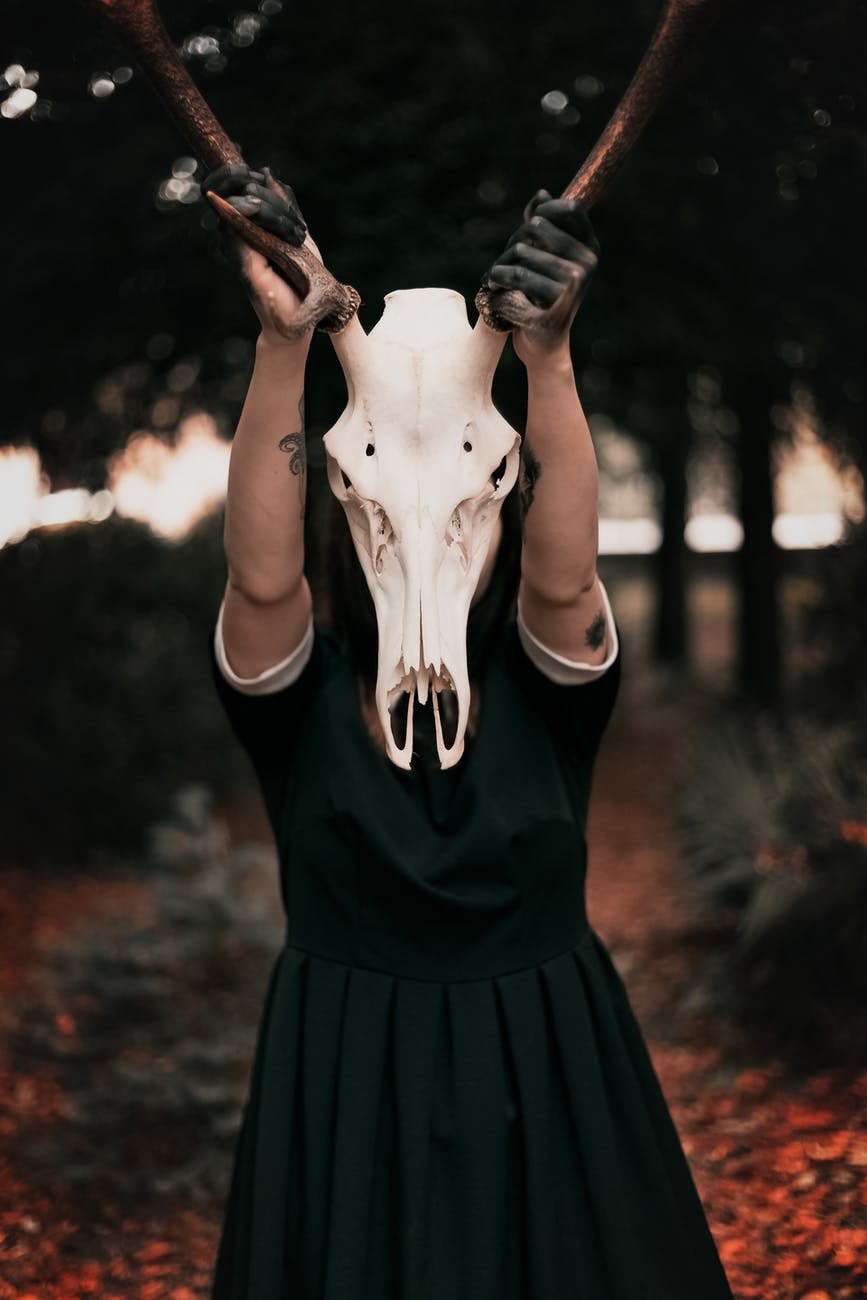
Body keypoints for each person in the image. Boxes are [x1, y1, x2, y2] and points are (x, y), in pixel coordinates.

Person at [202, 163, 734, 1299]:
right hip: (345, 1096)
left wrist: (547, 357)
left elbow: (564, 573)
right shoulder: (298, 700)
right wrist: (282, 348)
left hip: (554, 1088)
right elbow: (258, 582)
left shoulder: (552, 693)